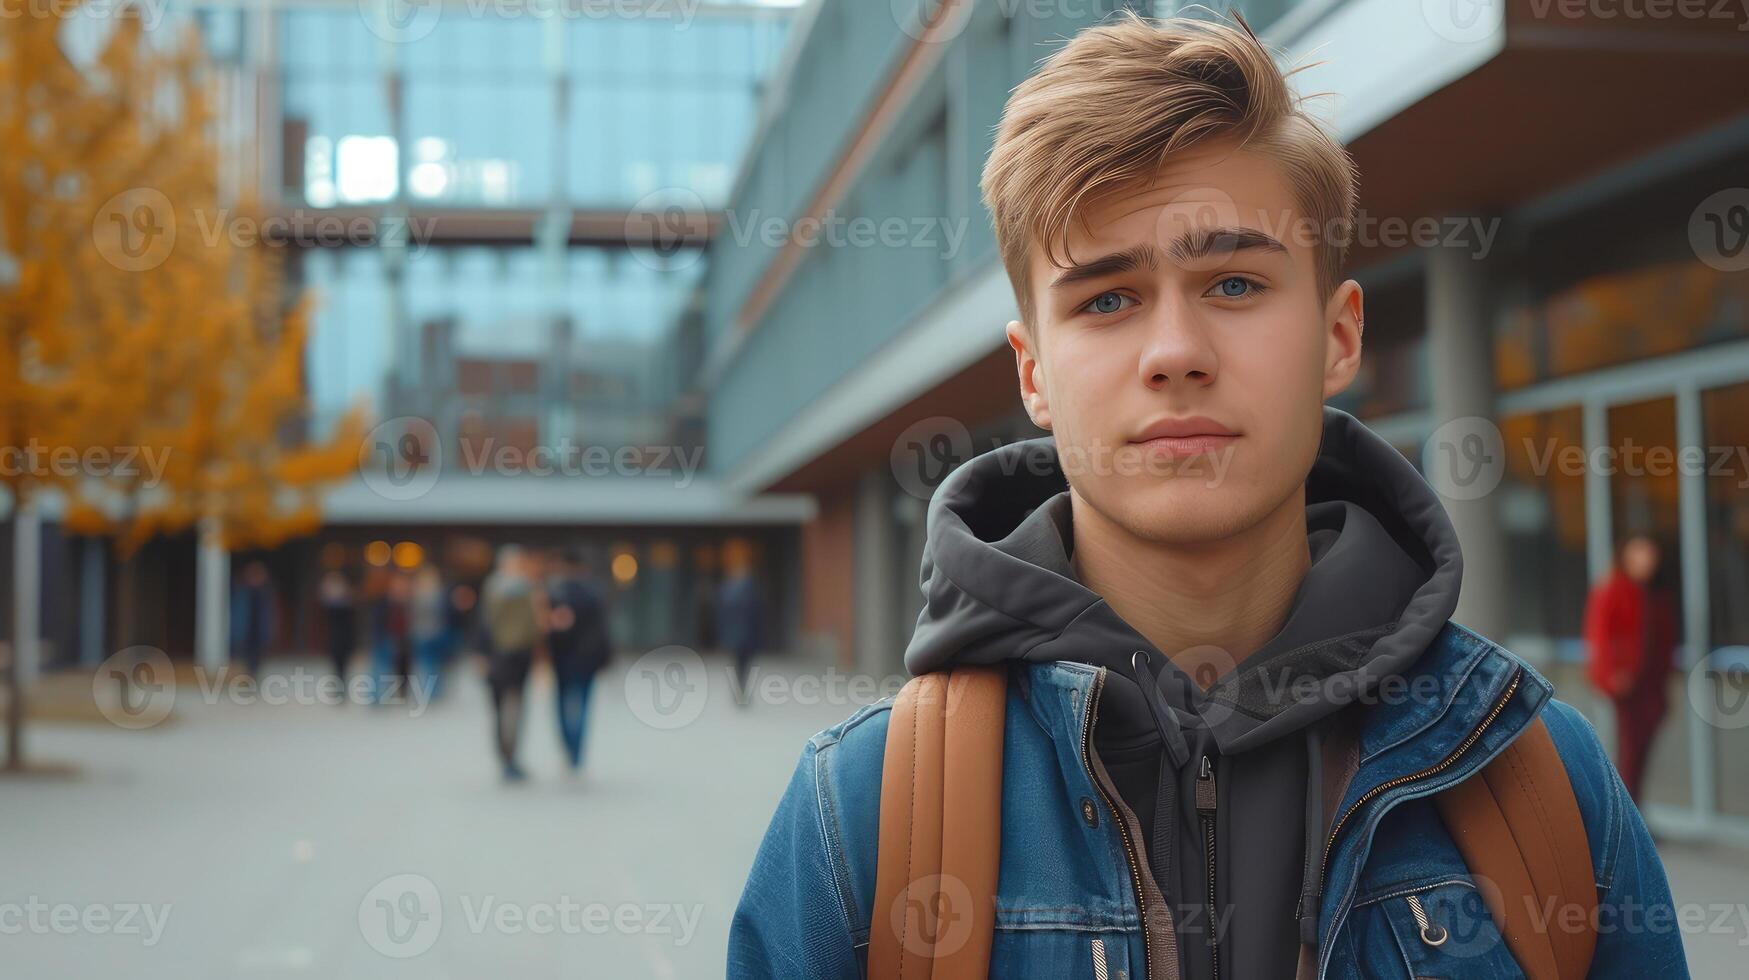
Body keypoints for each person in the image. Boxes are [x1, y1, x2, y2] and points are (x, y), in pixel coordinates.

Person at [729, 13, 1685, 980]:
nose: (1175, 353)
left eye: (1232, 283)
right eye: (1105, 299)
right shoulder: (861, 814)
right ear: (1033, 376)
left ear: (1338, 336)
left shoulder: (1534, 779)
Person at [1583, 533, 1678, 803]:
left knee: (1640, 754)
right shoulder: (1613, 589)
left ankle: (1635, 811)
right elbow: (1599, 635)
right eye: (1638, 553)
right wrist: (1612, 674)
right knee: (1629, 753)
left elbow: (1663, 643)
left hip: (1651, 687)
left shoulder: (1657, 596)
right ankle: (1625, 816)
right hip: (1627, 687)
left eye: (1649, 555)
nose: (1645, 561)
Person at [481, 545, 547, 782]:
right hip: (500, 655)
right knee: (501, 707)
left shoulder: (530, 589)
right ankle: (505, 755)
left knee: (515, 708)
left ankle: (511, 757)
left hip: (520, 655)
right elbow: (485, 623)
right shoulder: (495, 588)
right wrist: (481, 654)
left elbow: (536, 625)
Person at [545, 550, 611, 773]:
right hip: (587, 658)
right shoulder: (594, 592)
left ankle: (569, 747)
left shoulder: (556, 592)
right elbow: (602, 629)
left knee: (564, 703)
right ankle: (577, 751)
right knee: (583, 703)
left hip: (563, 656)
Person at [715, 546, 762, 697]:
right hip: (740, 635)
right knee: (740, 664)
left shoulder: (745, 591)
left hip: (745, 635)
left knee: (743, 664)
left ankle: (741, 688)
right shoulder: (730, 592)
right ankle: (740, 689)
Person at [409, 563, 450, 702]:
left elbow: (445, 615)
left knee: (437, 664)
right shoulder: (415, 595)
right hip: (420, 634)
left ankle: (436, 692)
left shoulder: (441, 594)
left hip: (437, 634)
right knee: (425, 664)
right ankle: (427, 691)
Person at [228, 559, 275, 677]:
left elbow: (268, 616)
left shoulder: (265, 593)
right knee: (244, 657)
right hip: (245, 632)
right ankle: (246, 676)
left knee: (255, 657)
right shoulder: (241, 592)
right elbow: (238, 614)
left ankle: (252, 675)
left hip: (258, 633)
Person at [318, 568, 357, 686]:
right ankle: (339, 683)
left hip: (344, 638)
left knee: (343, 663)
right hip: (334, 639)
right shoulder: (330, 605)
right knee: (337, 663)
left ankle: (340, 683)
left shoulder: (348, 604)